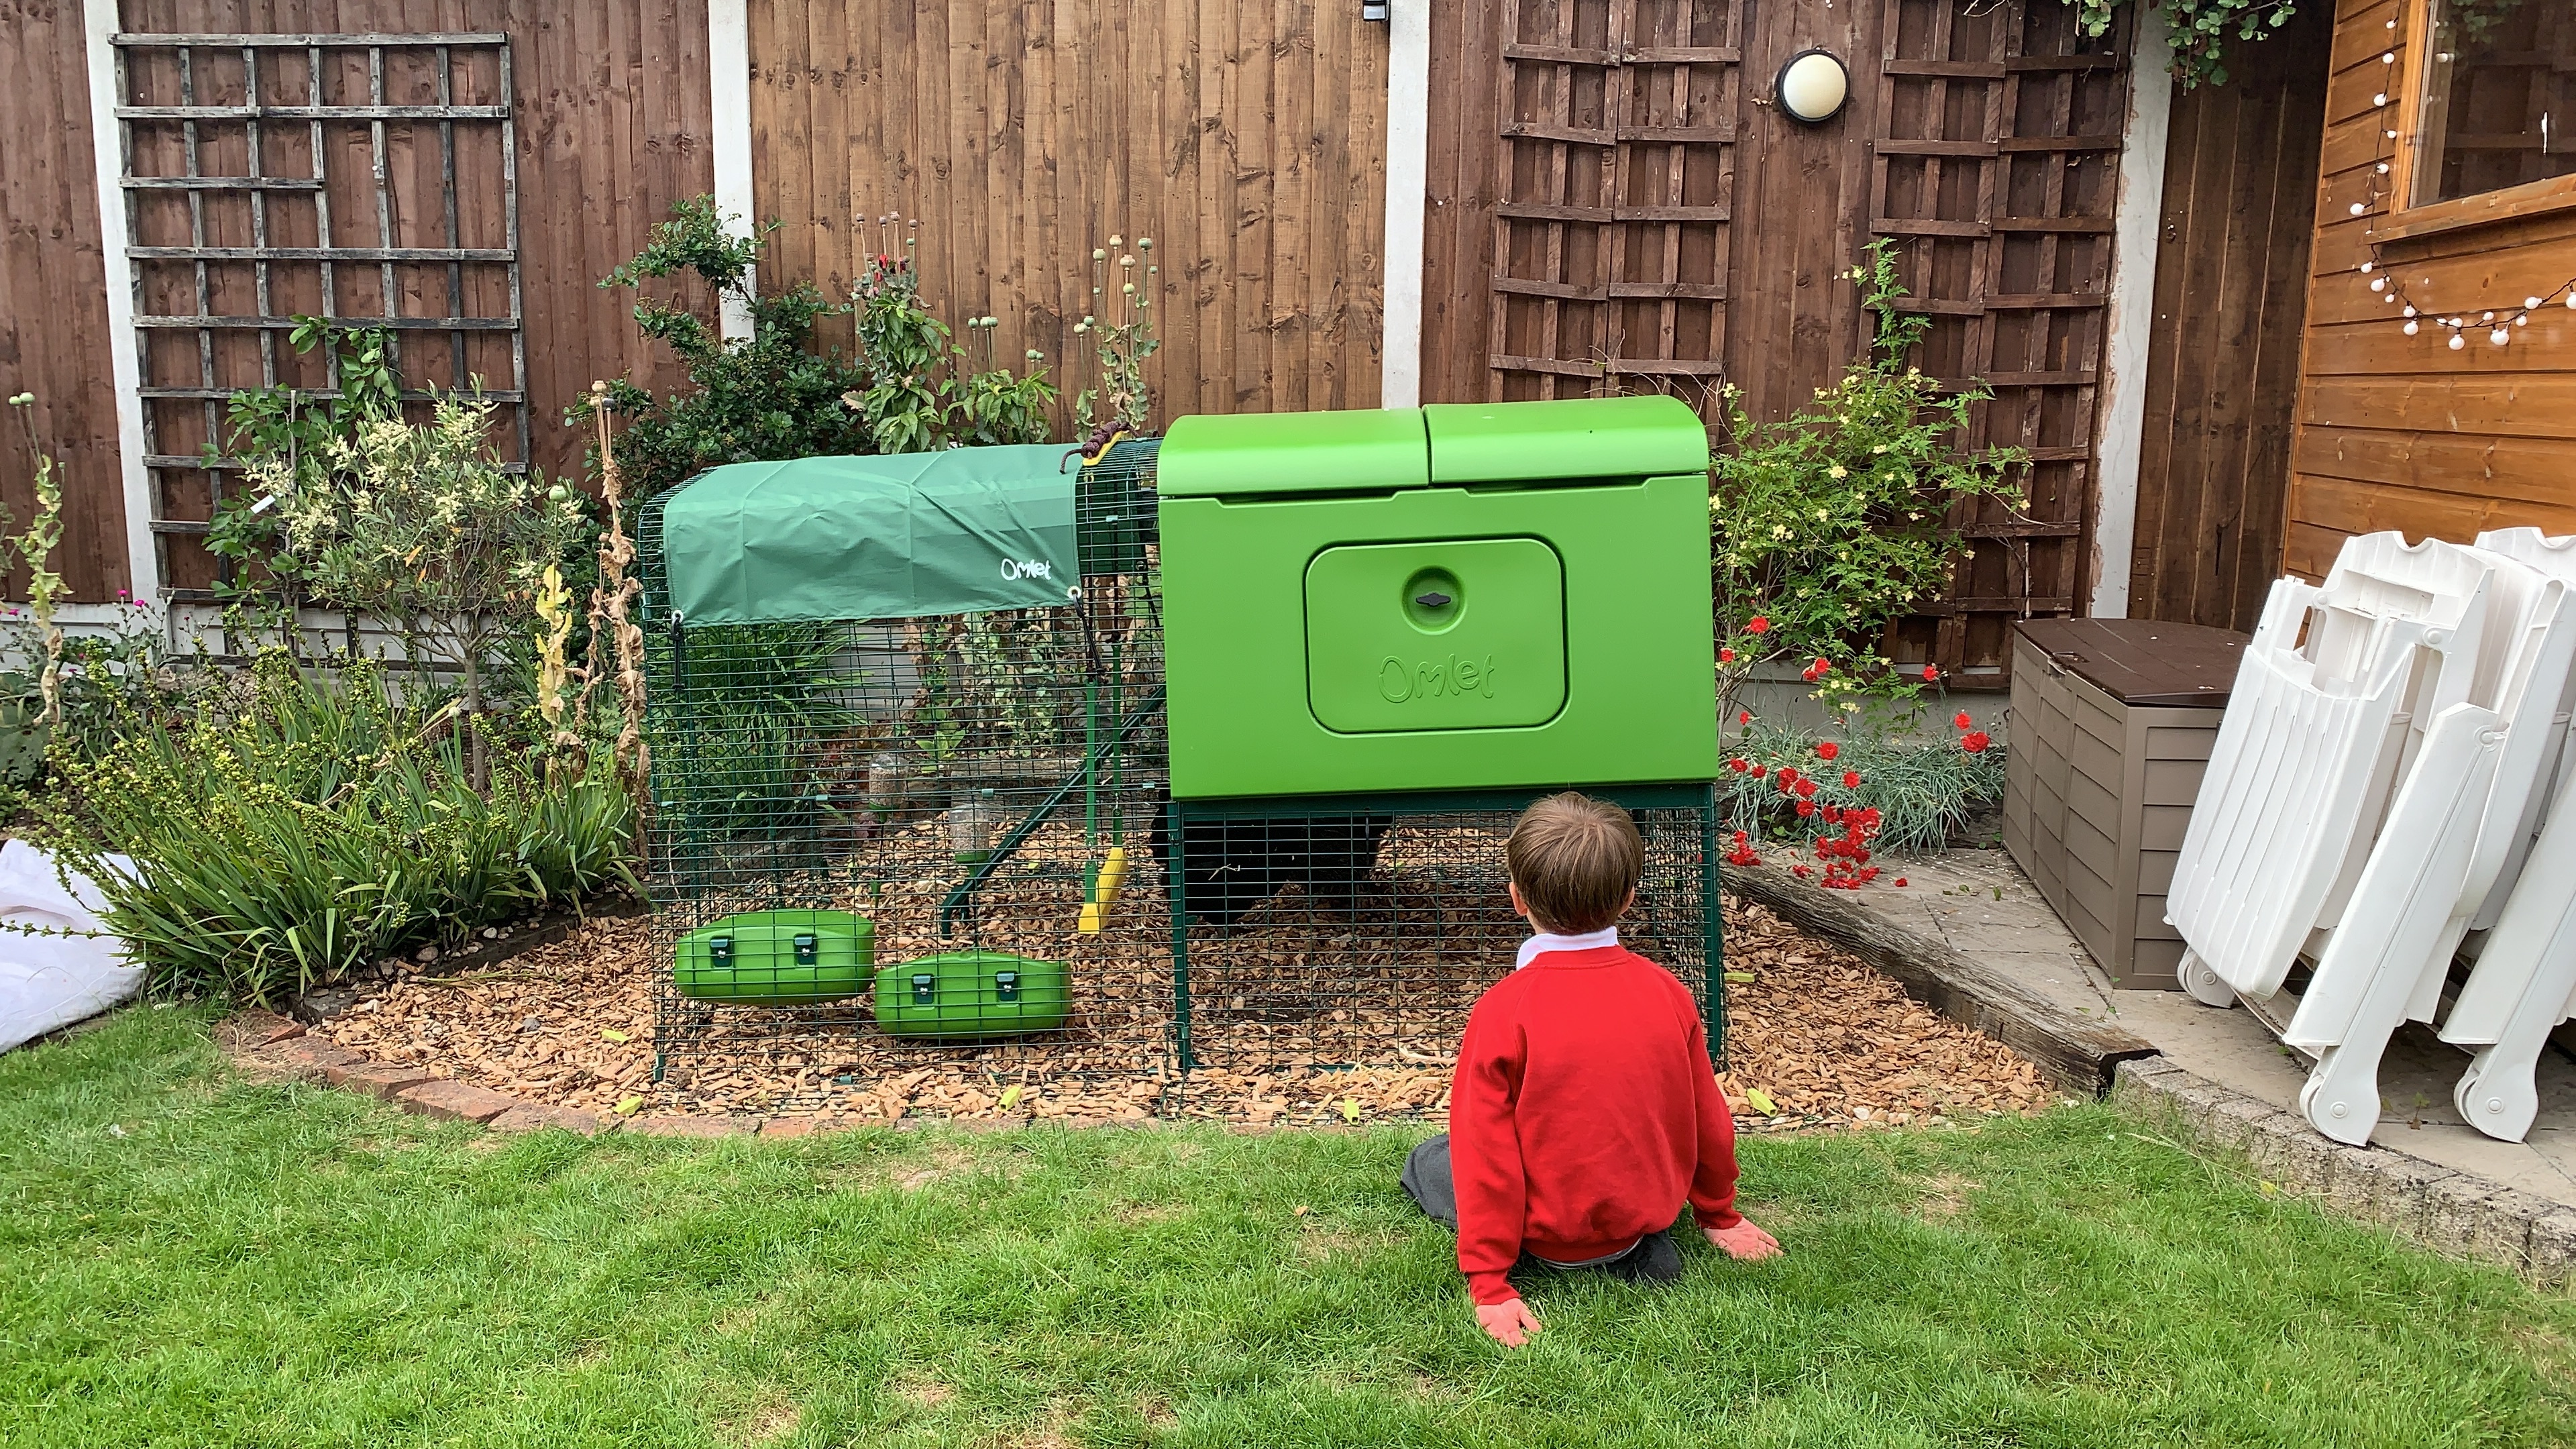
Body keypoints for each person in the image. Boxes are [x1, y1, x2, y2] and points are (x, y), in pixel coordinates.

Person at [1401, 792, 1780, 1346]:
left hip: (1544, 1236)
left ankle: (1557, 1251)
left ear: (1516, 897)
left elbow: (1485, 1152)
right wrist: (1719, 1214)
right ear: (1628, 899)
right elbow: (1708, 1118)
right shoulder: (1668, 992)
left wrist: (1489, 1284)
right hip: (1639, 1223)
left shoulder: (1502, 1010)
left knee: (1433, 1158)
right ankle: (1637, 1251)